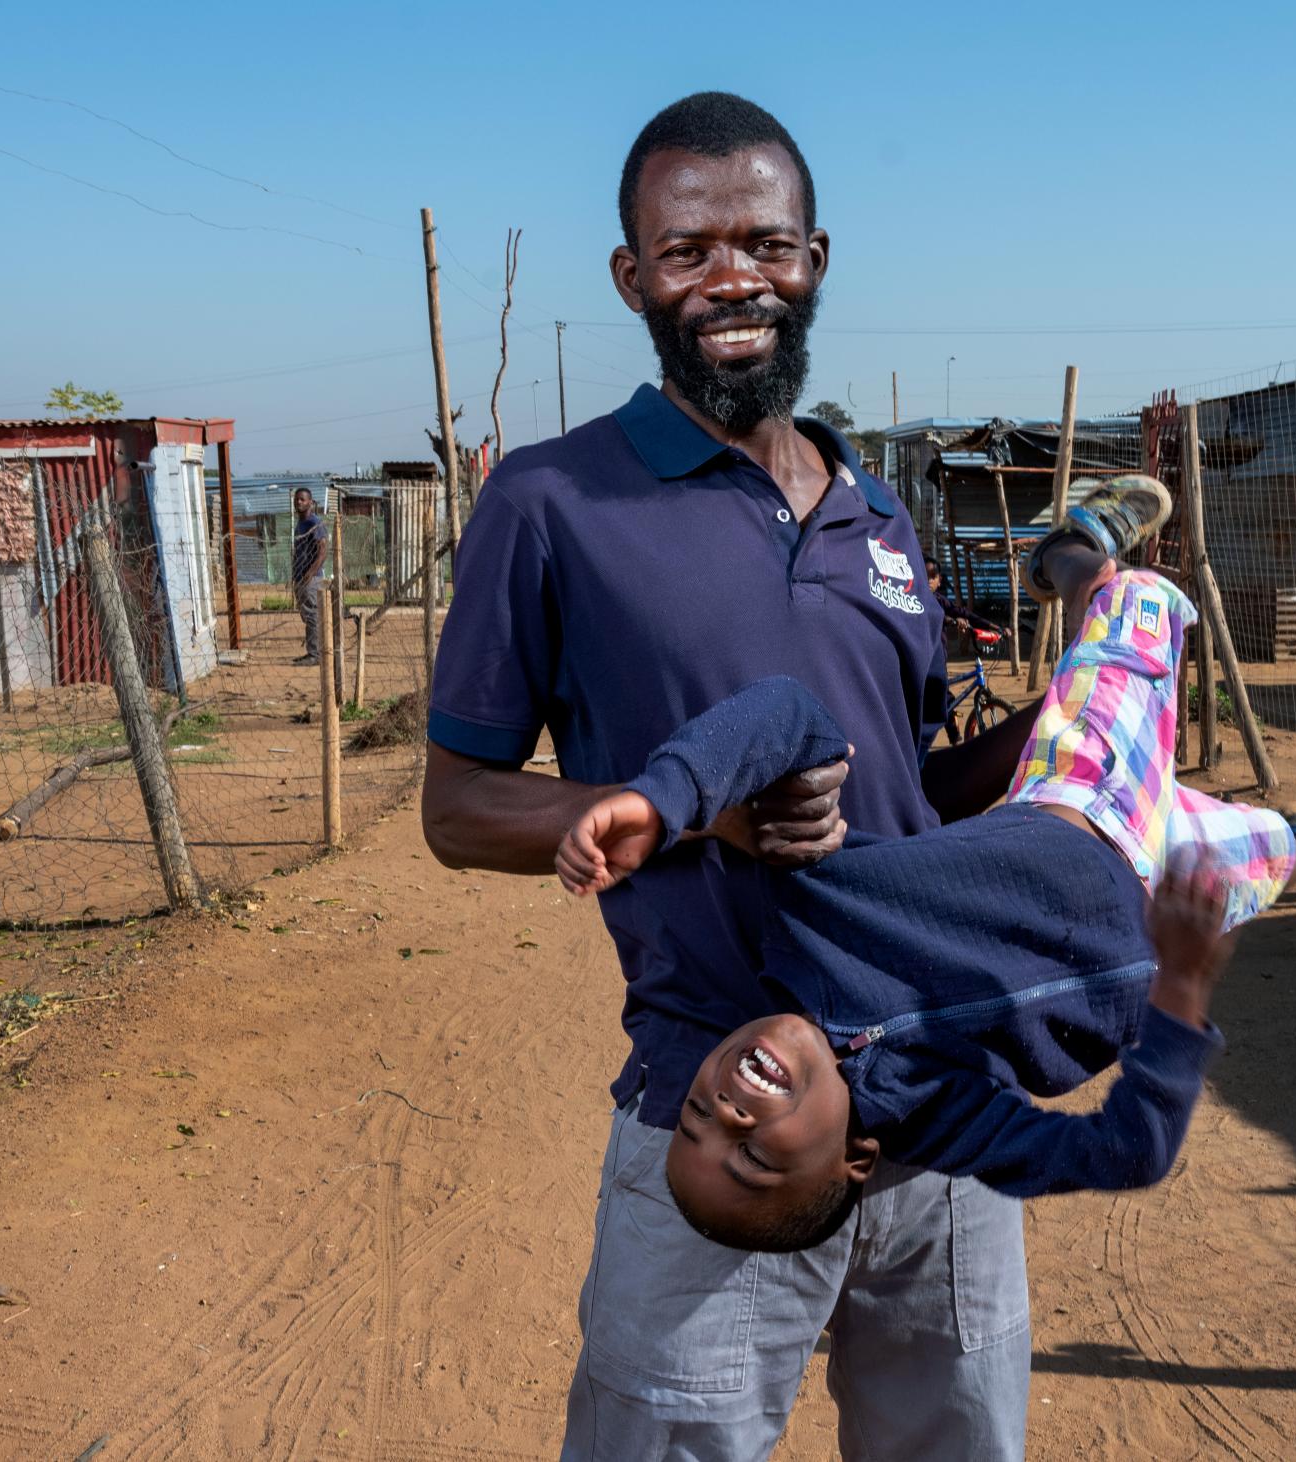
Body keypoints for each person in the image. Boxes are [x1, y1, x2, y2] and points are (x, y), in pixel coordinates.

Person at [421, 93, 1051, 1459]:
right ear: (633, 276)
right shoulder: (549, 502)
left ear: (815, 257)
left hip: (935, 1102)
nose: (731, 280)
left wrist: (1072, 721)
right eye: (689, 248)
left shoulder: (877, 509)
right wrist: (694, 809)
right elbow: (459, 804)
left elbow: (917, 794)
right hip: (713, 1112)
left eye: (762, 242)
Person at [553, 503, 1296, 1250]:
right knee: (1268, 859)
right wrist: (1179, 998)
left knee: (1139, 611)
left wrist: (663, 799)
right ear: (856, 1163)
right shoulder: (945, 1120)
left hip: (1090, 796)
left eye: (696, 1121)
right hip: (1170, 904)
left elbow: (791, 714)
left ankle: (1075, 551)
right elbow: (1122, 1155)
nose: (721, 1117)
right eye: (749, 1158)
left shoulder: (805, 912)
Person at [290, 485, 327, 666]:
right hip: (300, 578)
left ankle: (315, 654)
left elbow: (322, 551)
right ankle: (313, 651)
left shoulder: (315, 523)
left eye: (302, 499)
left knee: (312, 614)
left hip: (310, 579)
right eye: (297, 499)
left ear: (310, 502)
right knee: (307, 615)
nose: (299, 502)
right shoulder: (300, 524)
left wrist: (310, 574)